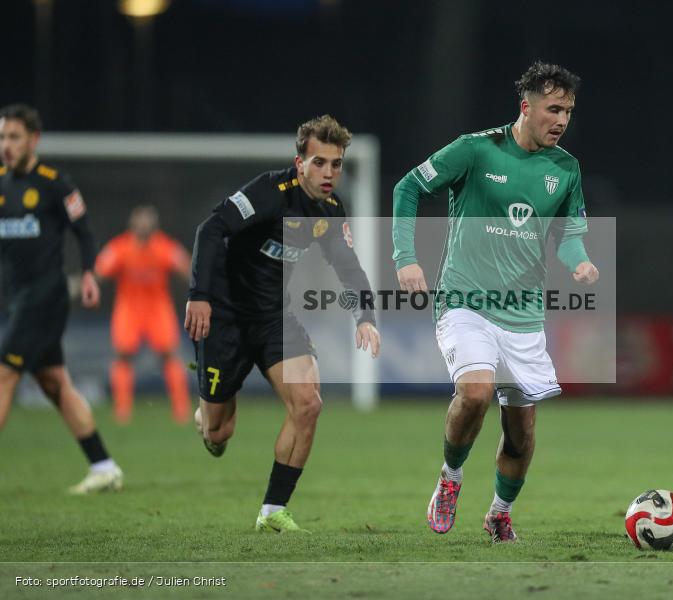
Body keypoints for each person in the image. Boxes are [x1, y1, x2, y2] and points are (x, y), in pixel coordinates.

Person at [392, 62, 599, 543]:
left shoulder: (565, 168)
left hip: (524, 315)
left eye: (568, 110)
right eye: (553, 109)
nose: (562, 120)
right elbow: (408, 187)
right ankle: (451, 477)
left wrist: (579, 262)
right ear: (525, 107)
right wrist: (405, 257)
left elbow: (570, 236)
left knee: (521, 428)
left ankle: (500, 512)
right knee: (476, 393)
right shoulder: (475, 149)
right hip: (464, 302)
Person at [185, 115, 380, 533]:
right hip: (225, 318)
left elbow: (347, 266)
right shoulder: (269, 193)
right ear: (300, 163)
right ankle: (207, 416)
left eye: (337, 164)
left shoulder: (330, 210)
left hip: (274, 318)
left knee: (308, 404)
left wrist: (365, 317)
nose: (329, 173)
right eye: (320, 163)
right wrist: (199, 295)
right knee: (219, 433)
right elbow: (211, 228)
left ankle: (273, 510)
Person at [0, 103, 123, 493]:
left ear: (33, 139)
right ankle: (104, 466)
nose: (6, 145)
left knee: (4, 373)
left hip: (46, 294)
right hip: (18, 295)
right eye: (2, 137)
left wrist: (89, 273)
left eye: (14, 137)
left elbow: (84, 232)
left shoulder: (56, 183)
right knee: (54, 383)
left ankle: (104, 466)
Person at [95, 205, 192, 424]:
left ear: (154, 226)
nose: (144, 227)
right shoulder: (120, 247)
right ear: (132, 225)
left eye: (148, 222)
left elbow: (187, 269)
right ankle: (122, 410)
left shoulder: (164, 246)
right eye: (140, 222)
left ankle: (181, 410)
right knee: (123, 355)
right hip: (129, 307)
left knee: (170, 354)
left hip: (158, 307)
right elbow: (100, 271)